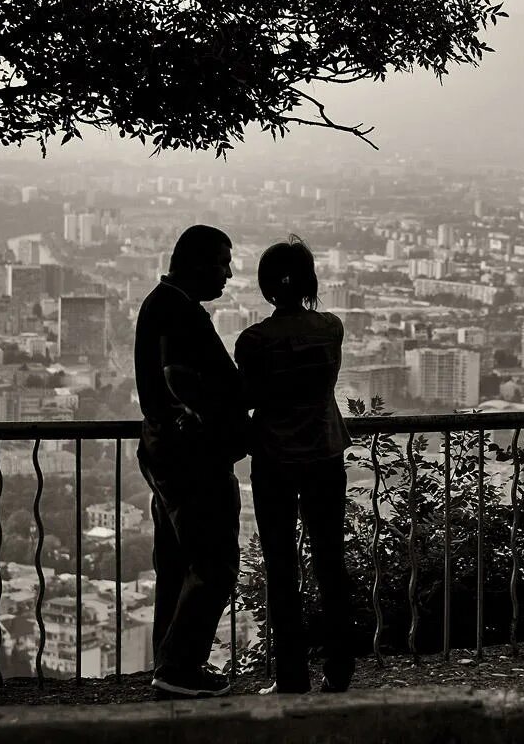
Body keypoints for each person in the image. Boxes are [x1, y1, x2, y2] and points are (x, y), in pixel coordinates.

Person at [234, 235, 356, 695]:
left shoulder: (254, 342)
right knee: (330, 561)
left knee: (281, 566)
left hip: (274, 459)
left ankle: (291, 675)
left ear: (268, 288)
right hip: (325, 454)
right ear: (310, 282)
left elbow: (246, 398)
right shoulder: (331, 328)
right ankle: (339, 668)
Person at [134, 224, 248, 698]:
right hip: (191, 461)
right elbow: (178, 375)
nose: (228, 273)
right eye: (222, 263)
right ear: (197, 262)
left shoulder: (165, 303)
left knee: (179, 566)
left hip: (168, 454)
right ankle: (180, 666)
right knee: (215, 562)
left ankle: (169, 666)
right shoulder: (179, 311)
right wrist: (206, 418)